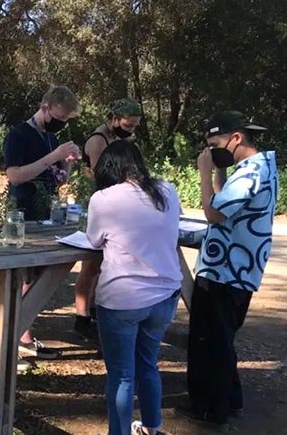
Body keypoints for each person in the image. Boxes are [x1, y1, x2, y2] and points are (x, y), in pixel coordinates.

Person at [176, 112, 277, 426]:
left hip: (226, 271)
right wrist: (219, 171)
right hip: (235, 268)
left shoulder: (251, 173)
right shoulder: (255, 167)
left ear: (236, 138)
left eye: (214, 145)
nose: (210, 152)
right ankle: (230, 399)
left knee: (209, 341)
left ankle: (209, 409)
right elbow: (226, 202)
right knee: (222, 338)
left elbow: (213, 213)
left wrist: (204, 174)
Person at [86, 140, 182, 435]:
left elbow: (93, 241)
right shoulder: (167, 190)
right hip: (165, 294)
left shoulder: (104, 198)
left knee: (121, 376)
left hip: (122, 299)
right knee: (148, 365)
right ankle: (152, 427)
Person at [3, 85, 81, 360]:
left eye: (67, 121)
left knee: (38, 275)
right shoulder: (18, 135)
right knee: (21, 274)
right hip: (21, 212)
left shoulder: (50, 138)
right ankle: (12, 337)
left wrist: (68, 162)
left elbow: (58, 178)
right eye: (59, 117)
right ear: (46, 108)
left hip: (46, 212)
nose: (61, 124)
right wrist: (54, 156)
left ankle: (21, 334)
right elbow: (14, 176)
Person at [75, 98, 143, 341]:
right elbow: (101, 178)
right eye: (127, 125)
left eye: (134, 126)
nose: (130, 130)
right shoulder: (97, 141)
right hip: (97, 203)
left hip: (113, 203)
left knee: (103, 264)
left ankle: (93, 311)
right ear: (114, 118)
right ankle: (81, 316)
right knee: (91, 264)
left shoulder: (118, 139)